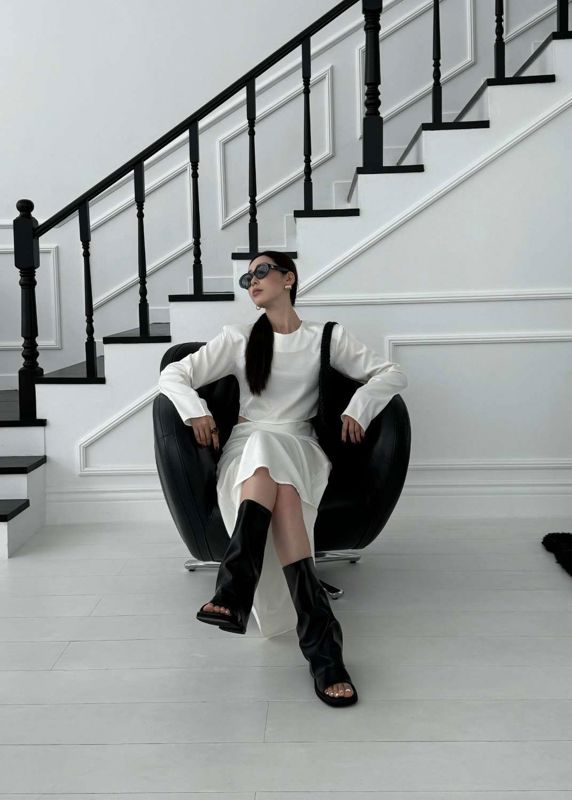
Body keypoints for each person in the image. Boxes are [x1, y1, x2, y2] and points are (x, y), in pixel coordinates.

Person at [157, 250, 408, 707]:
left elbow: (391, 372)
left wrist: (360, 407)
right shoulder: (237, 338)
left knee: (275, 458)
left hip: (301, 446)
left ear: (289, 278)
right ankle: (323, 648)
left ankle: (235, 586)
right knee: (275, 474)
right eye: (247, 278)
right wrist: (195, 411)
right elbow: (174, 374)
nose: (252, 281)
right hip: (247, 449)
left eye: (262, 271)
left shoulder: (326, 337)